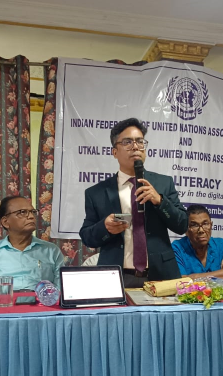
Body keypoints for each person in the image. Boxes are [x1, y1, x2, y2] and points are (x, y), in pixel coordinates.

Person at [79, 118, 188, 287]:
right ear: (115, 152)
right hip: (116, 277)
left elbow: (182, 225)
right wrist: (105, 227)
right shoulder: (97, 193)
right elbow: (87, 237)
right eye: (127, 142)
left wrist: (159, 201)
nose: (135, 146)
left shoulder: (163, 184)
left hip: (160, 275)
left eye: (140, 141)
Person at [0, 196, 63, 291]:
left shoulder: (51, 251)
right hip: (1, 300)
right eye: (22, 212)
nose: (31, 216)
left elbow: (61, 290)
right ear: (5, 222)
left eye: (33, 212)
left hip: (41, 300)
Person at [172, 204, 223, 281]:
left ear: (211, 225)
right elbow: (182, 281)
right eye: (194, 225)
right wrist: (222, 274)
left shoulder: (221, 244)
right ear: (186, 230)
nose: (201, 230)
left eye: (205, 224)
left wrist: (195, 277)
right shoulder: (177, 247)